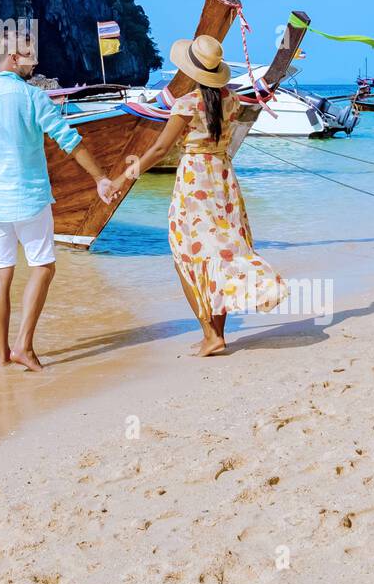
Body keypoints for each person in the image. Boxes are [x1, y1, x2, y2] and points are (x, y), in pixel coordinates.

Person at [113, 33, 286, 357]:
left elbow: (161, 148)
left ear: (192, 71)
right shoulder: (232, 100)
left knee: (188, 256)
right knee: (221, 252)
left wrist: (126, 174)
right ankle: (216, 334)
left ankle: (210, 333)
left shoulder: (186, 104)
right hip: (223, 178)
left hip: (195, 181)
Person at [0, 32, 115, 370]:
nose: (35, 61)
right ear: (13, 58)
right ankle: (23, 346)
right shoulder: (32, 98)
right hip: (29, 199)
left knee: (1, 276)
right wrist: (100, 178)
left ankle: (2, 357)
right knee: (43, 266)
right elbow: (68, 140)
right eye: (29, 55)